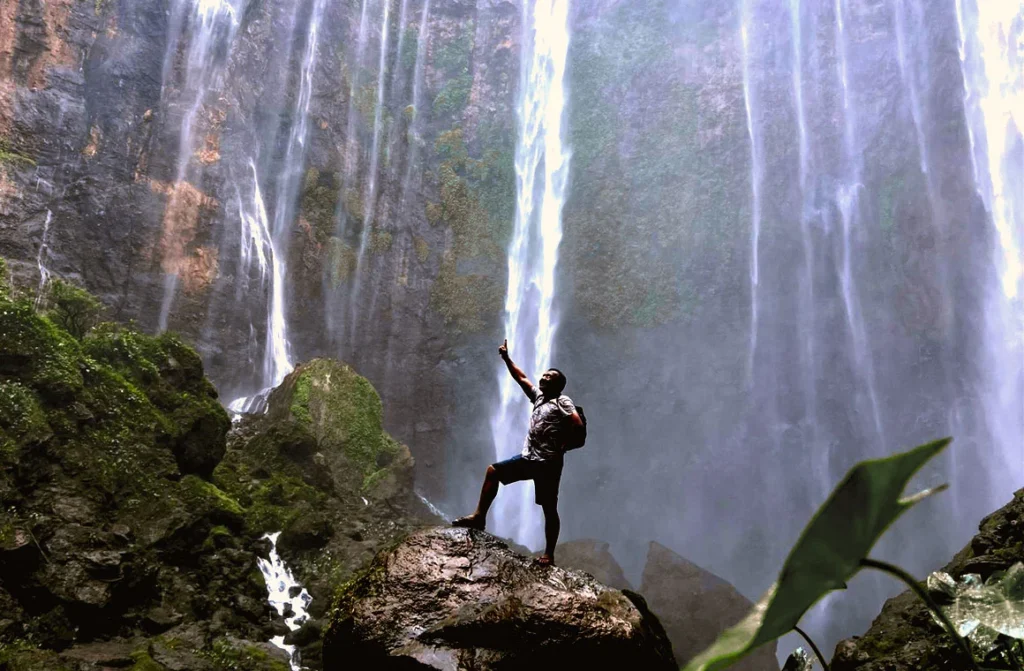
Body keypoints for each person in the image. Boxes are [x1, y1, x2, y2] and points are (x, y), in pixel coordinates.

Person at [453, 339, 584, 567]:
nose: (543, 378)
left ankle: (549, 554)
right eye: (543, 375)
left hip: (548, 464)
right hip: (528, 458)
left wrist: (564, 444)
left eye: (549, 377)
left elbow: (577, 423)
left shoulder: (562, 400)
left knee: (549, 508)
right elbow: (521, 379)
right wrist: (506, 358)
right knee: (493, 471)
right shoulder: (540, 397)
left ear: (558, 385)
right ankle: (479, 517)